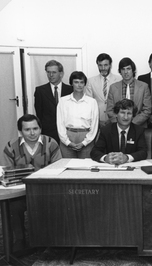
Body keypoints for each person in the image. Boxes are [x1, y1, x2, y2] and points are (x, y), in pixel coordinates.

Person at [3, 114, 62, 251]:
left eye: (35, 128)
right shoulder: (11, 147)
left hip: (46, 191)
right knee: (14, 206)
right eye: (27, 129)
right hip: (20, 193)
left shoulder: (51, 143)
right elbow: (6, 174)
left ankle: (49, 238)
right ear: (20, 131)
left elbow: (59, 170)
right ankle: (19, 240)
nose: (32, 133)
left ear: (40, 128)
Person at [91, 99, 147, 164]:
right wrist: (105, 158)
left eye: (129, 113)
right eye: (122, 113)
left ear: (133, 116)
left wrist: (127, 157)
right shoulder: (106, 130)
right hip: (111, 168)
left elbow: (143, 152)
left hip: (131, 168)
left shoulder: (139, 130)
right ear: (116, 114)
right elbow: (95, 151)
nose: (125, 117)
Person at [57, 71, 99, 158]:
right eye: (76, 82)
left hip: (86, 138)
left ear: (84, 84)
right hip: (67, 136)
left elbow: (94, 125)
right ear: (71, 83)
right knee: (67, 167)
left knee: (85, 168)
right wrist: (68, 142)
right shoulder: (63, 101)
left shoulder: (92, 102)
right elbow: (60, 124)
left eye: (81, 82)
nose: (79, 85)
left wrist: (84, 143)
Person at [34, 60, 73, 144]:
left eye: (54, 72)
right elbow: (39, 113)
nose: (50, 75)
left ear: (61, 74)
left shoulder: (70, 90)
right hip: (48, 132)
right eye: (48, 72)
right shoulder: (40, 91)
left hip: (68, 132)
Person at [106, 57, 152, 128]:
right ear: (120, 71)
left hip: (138, 127)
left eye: (128, 69)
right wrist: (120, 123)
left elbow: (147, 110)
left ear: (133, 70)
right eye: (123, 69)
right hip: (118, 128)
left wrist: (132, 123)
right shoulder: (113, 88)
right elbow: (110, 110)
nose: (126, 72)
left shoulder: (144, 87)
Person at [86, 53, 122, 127]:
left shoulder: (119, 80)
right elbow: (88, 104)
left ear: (110, 65)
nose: (103, 68)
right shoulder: (90, 81)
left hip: (115, 121)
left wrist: (114, 118)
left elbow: (122, 102)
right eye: (100, 65)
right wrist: (97, 121)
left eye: (105, 65)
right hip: (97, 121)